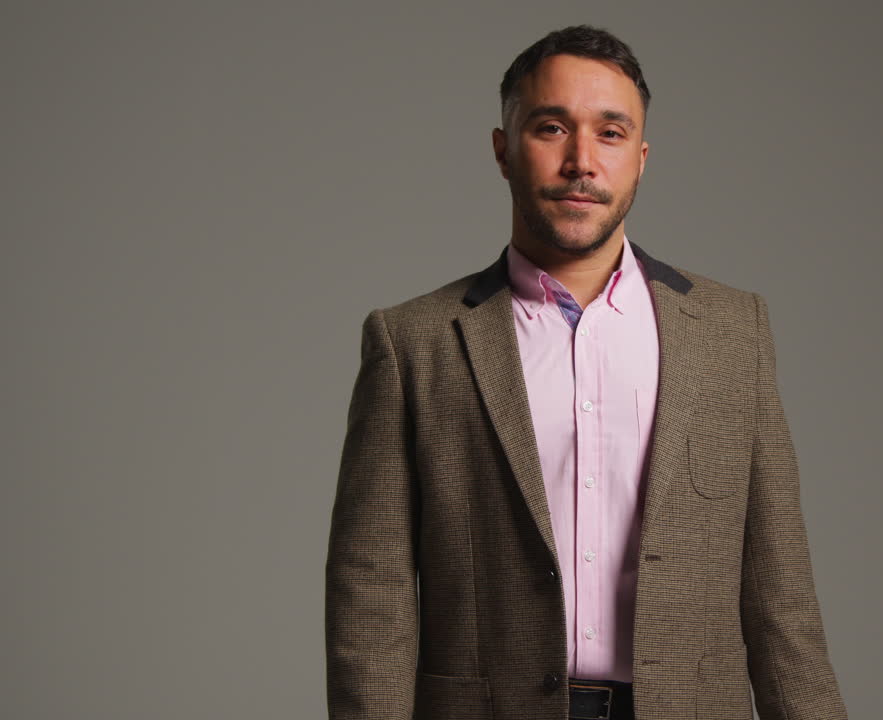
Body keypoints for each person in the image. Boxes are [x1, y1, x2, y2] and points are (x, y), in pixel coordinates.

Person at [325, 24, 848, 720]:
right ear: (503, 150)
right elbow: (372, 594)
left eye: (610, 132)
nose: (581, 161)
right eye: (550, 128)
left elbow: (782, 596)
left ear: (641, 157)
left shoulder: (731, 333)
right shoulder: (414, 343)